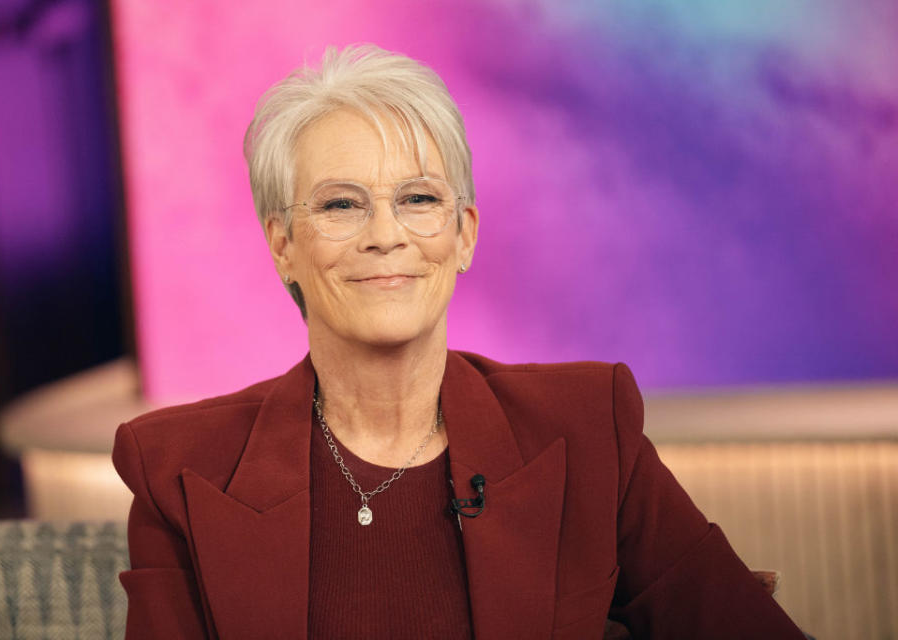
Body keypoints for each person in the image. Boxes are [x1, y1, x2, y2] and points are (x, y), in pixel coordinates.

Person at [112, 44, 806, 639]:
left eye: (418, 199)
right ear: (283, 245)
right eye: (340, 204)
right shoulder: (180, 471)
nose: (386, 235)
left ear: (464, 233)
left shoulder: (590, 428)